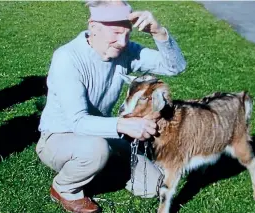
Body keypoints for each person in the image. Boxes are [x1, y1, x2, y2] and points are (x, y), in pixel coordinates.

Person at [35, 0, 186, 212]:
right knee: (96, 150)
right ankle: (64, 188)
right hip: (58, 137)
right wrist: (124, 125)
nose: (122, 41)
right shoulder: (67, 58)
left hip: (101, 132)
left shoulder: (125, 51)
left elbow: (175, 67)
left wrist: (159, 32)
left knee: (152, 186)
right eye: (115, 32)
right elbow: (77, 121)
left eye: (127, 33)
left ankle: (100, 165)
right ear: (93, 27)